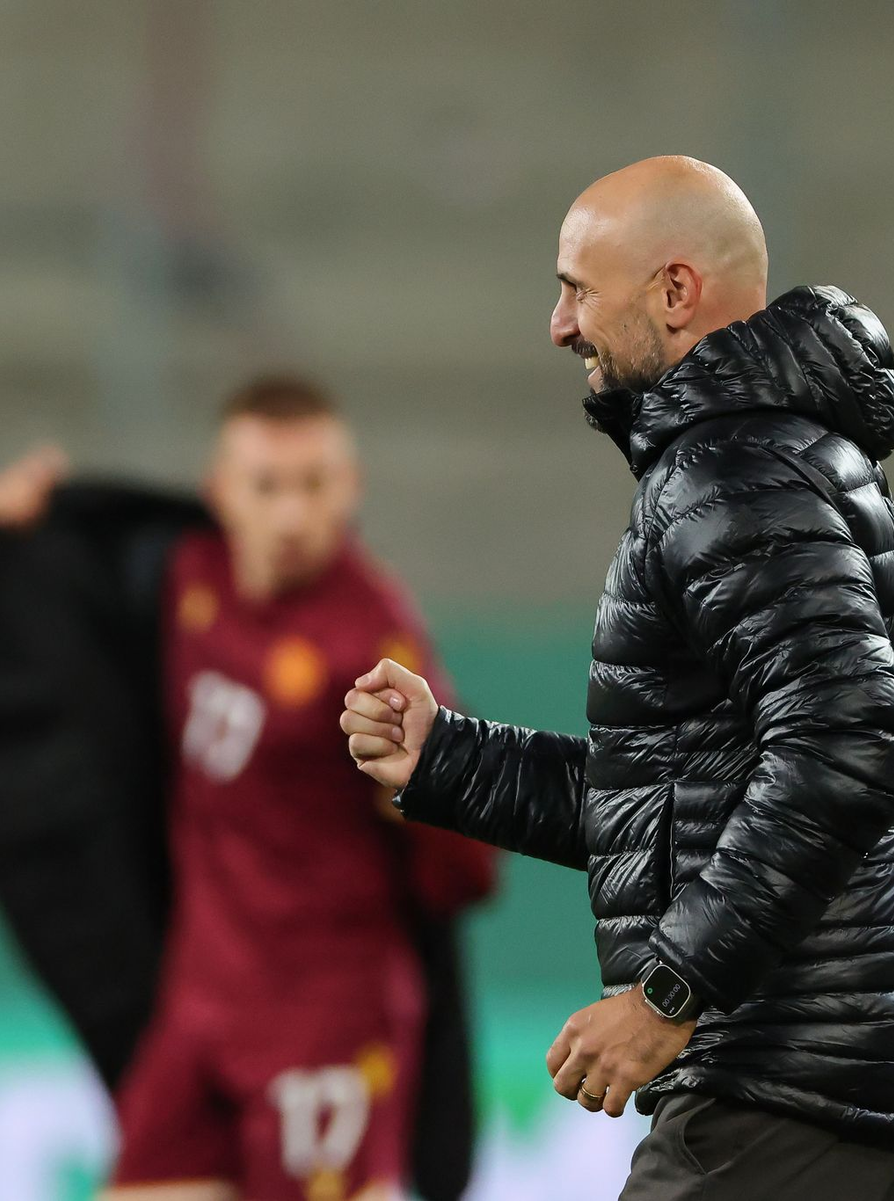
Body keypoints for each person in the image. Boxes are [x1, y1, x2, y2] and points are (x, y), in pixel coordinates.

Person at [341, 156, 894, 1198]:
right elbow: (693, 801)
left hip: (784, 1098)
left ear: (675, 292)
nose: (560, 325)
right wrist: (449, 759)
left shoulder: (730, 472)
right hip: (822, 1087)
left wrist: (672, 989)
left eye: (578, 288)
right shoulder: (786, 457)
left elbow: (846, 738)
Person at [0, 375, 493, 1201]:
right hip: (202, 1002)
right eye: (267, 485)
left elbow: (469, 871)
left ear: (351, 490)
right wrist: (25, 538)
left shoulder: (374, 648)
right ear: (220, 493)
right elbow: (82, 587)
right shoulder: (187, 578)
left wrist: (417, 798)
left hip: (326, 1016)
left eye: (315, 484)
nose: (293, 515)